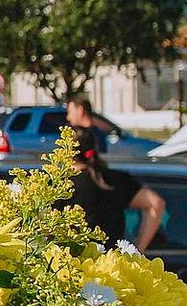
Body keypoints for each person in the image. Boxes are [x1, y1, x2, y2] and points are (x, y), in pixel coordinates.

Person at [64, 96, 165, 251]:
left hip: (73, 263)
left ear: (66, 153)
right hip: (112, 263)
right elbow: (156, 203)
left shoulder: (62, 187)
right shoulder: (115, 180)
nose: (68, 117)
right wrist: (138, 250)